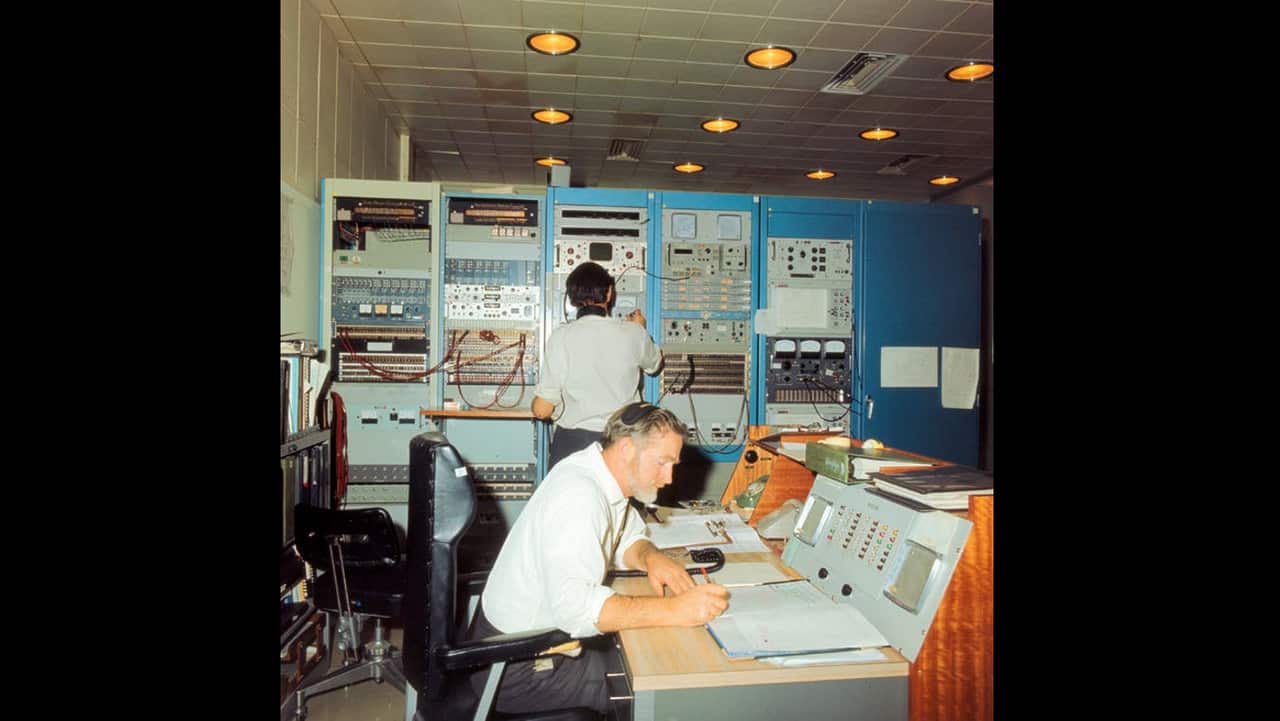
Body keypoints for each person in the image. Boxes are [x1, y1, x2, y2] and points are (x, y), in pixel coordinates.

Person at [468, 402, 730, 715]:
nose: (669, 478)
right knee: (662, 693)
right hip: (515, 668)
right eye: (662, 463)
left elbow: (624, 537)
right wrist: (675, 610)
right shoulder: (579, 495)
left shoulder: (598, 473)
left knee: (645, 662)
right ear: (627, 449)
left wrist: (651, 558)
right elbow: (576, 609)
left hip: (530, 647)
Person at [532, 261, 663, 469]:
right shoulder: (633, 333)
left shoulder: (560, 337)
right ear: (609, 293)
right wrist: (641, 329)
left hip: (574, 445)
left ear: (572, 299)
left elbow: (542, 410)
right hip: (622, 443)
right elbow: (654, 365)